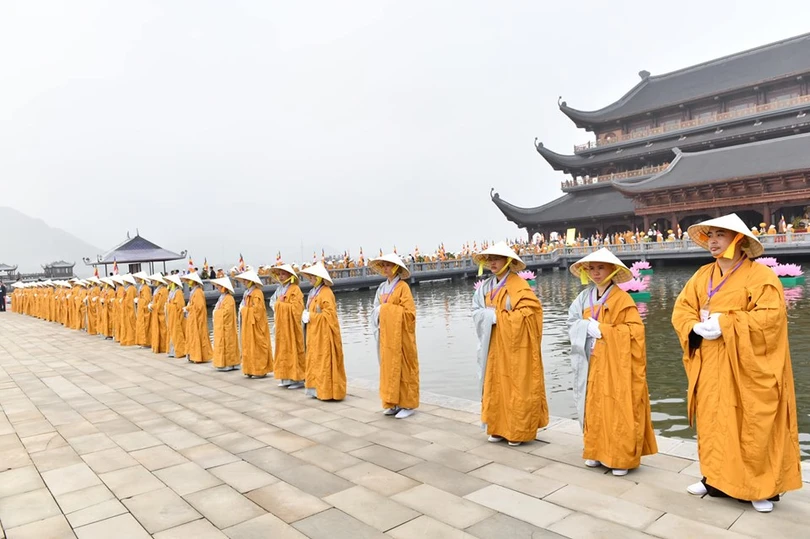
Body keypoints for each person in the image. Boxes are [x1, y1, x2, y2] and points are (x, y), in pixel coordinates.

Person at [671, 213, 802, 513]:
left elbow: (771, 319)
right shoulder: (702, 275)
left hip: (746, 367)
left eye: (721, 235)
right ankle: (713, 479)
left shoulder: (761, 277)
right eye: (710, 235)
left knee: (750, 423)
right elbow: (682, 309)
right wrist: (694, 326)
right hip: (709, 363)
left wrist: (727, 324)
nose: (713, 241)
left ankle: (757, 487)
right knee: (713, 422)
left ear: (738, 240)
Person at [567, 247, 657, 474]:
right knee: (594, 405)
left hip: (617, 362)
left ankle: (620, 457)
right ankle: (595, 450)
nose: (596, 273)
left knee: (618, 405)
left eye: (601, 268)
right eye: (592, 269)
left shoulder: (622, 299)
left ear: (612, 270)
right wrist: (585, 327)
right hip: (592, 360)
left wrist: (604, 330)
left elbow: (635, 332)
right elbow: (572, 322)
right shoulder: (583, 298)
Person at [472, 242, 547, 446]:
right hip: (493, 344)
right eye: (490, 259)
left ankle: (517, 431)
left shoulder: (519, 285)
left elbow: (531, 313)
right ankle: (496, 427)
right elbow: (476, 311)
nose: (492, 263)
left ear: (508, 261)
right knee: (495, 384)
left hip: (516, 346)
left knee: (516, 385)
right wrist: (487, 317)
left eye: (496, 259)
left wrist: (499, 317)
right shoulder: (486, 287)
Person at [369, 253, 419, 419]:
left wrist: (385, 310)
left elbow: (409, 314)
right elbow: (375, 310)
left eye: (388, 265)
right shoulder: (382, 288)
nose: (385, 268)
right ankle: (392, 402)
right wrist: (379, 313)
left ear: (396, 267)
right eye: (383, 265)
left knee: (404, 368)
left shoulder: (403, 287)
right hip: (387, 336)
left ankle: (408, 404)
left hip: (402, 337)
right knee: (388, 368)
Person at [300, 262, 346, 401]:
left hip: (324, 334)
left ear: (319, 278)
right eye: (309, 276)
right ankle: (315, 389)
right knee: (314, 360)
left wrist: (312, 316)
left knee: (324, 361)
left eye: (312, 276)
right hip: (314, 333)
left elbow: (330, 315)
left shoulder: (326, 293)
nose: (310, 278)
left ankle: (327, 391)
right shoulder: (313, 293)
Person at [269, 264, 306, 388]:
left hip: (292, 326)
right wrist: (279, 305)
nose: (281, 276)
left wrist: (281, 305)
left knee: (293, 350)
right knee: (282, 350)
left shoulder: (295, 289)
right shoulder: (279, 289)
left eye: (283, 274)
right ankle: (285, 378)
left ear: (290, 275)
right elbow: (273, 303)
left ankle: (298, 379)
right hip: (281, 325)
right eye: (279, 274)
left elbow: (297, 309)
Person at [235, 270, 272, 379]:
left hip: (256, 325)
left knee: (257, 346)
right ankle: (249, 369)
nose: (244, 282)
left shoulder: (257, 293)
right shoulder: (247, 293)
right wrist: (244, 310)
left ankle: (260, 370)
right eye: (243, 280)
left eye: (246, 280)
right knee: (248, 346)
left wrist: (244, 310)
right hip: (248, 325)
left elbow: (258, 311)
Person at [181, 272, 213, 364]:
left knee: (198, 336)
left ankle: (199, 356)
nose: (188, 282)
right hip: (193, 317)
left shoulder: (198, 292)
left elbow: (199, 307)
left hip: (198, 318)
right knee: (192, 336)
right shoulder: (194, 291)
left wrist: (188, 308)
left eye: (189, 280)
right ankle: (193, 355)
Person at [211, 276, 240, 371]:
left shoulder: (229, 298)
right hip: (221, 326)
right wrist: (217, 311)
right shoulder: (222, 298)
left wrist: (217, 312)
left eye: (219, 286)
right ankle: (221, 363)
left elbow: (227, 313)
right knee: (221, 343)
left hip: (227, 326)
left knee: (228, 344)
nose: (217, 287)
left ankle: (230, 363)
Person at [165, 274, 187, 358]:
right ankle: (172, 351)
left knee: (177, 334)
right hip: (171, 317)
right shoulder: (171, 292)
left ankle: (180, 351)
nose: (168, 283)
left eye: (169, 282)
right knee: (172, 334)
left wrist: (169, 306)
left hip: (176, 317)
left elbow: (179, 306)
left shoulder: (178, 292)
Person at [149, 273, 169, 354]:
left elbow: (160, 304)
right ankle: (158, 346)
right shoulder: (158, 290)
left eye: (154, 280)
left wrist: (152, 306)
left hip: (161, 314)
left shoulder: (163, 290)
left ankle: (163, 347)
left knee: (163, 331)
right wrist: (151, 304)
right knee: (157, 331)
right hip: (156, 313)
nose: (153, 282)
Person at [133, 272, 153, 348]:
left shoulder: (145, 288)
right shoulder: (141, 287)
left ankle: (146, 342)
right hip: (141, 310)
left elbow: (146, 300)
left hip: (145, 310)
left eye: (137, 278)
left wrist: (139, 300)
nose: (136, 279)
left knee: (145, 326)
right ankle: (142, 342)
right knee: (141, 326)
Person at [119, 274, 138, 346]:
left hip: (130, 310)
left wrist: (123, 301)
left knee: (131, 325)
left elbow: (129, 301)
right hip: (126, 310)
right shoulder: (127, 288)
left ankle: (131, 340)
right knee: (126, 325)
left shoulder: (131, 288)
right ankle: (126, 340)